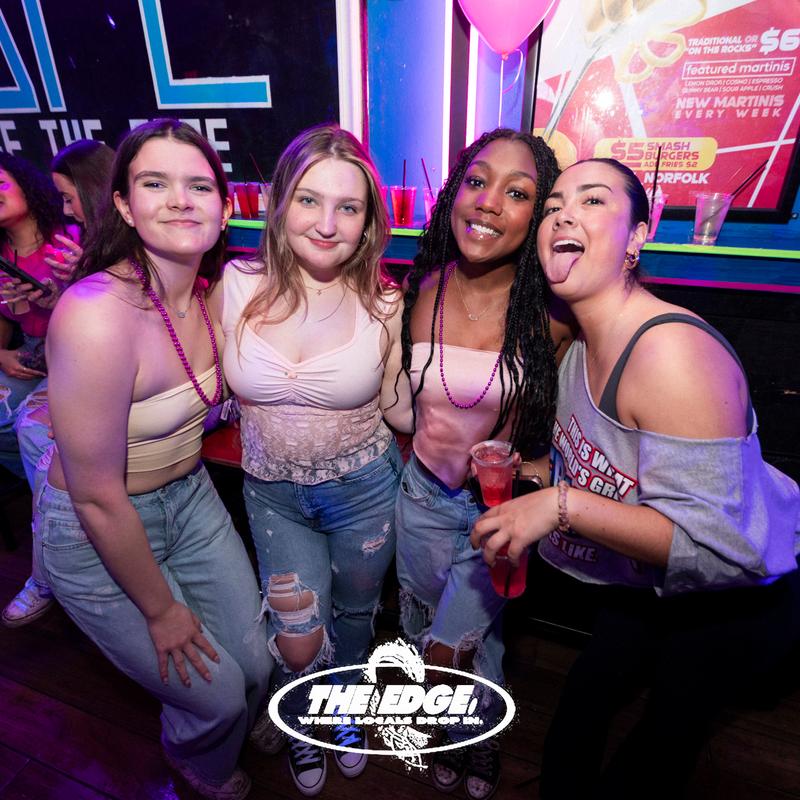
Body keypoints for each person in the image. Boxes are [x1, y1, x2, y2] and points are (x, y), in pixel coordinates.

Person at [471, 158, 800, 799]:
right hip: (646, 584)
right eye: (554, 205)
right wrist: (537, 472)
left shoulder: (672, 355)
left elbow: (713, 544)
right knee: (584, 703)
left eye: (593, 201)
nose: (563, 214)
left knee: (660, 745)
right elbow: (609, 464)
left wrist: (560, 505)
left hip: (736, 600)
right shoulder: (579, 345)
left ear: (637, 237)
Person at [39, 119, 272, 800]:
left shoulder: (207, 296)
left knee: (258, 663)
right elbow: (96, 496)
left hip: (190, 498)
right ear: (122, 204)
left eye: (198, 185)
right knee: (218, 693)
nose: (179, 200)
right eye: (154, 183)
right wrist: (161, 609)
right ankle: (195, 756)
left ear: (224, 207)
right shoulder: (96, 314)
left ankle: (226, 717)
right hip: (98, 527)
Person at [219, 123, 407, 797]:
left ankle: (344, 711)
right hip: (272, 493)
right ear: (279, 203)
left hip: (366, 491)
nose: (327, 224)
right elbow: (196, 378)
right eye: (308, 200)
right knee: (297, 630)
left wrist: (472, 416)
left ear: (368, 222)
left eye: (347, 207)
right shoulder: (236, 285)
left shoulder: (386, 301)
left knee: (356, 617)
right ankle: (302, 718)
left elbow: (399, 406)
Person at [395, 128, 566, 800]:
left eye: (517, 193)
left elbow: (578, 429)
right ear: (453, 194)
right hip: (419, 497)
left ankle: (467, 728)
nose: (489, 202)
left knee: (450, 649)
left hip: (494, 513)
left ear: (538, 216)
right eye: (476, 181)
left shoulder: (552, 317)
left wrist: (536, 470)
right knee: (445, 630)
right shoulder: (422, 288)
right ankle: (478, 733)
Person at [3, 139, 115, 628]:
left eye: (70, 198)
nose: (67, 209)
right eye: (62, 199)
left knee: (37, 433)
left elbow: (109, 327)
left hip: (99, 371)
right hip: (56, 361)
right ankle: (59, 555)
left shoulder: (83, 243)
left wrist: (71, 289)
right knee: (31, 432)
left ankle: (56, 564)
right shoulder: (77, 240)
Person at [0, 153, 66, 480]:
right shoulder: (2, 255)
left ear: (25, 186)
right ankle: (40, 488)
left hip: (71, 351)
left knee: (33, 427)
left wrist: (61, 297)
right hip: (30, 351)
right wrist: (1, 354)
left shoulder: (69, 239)